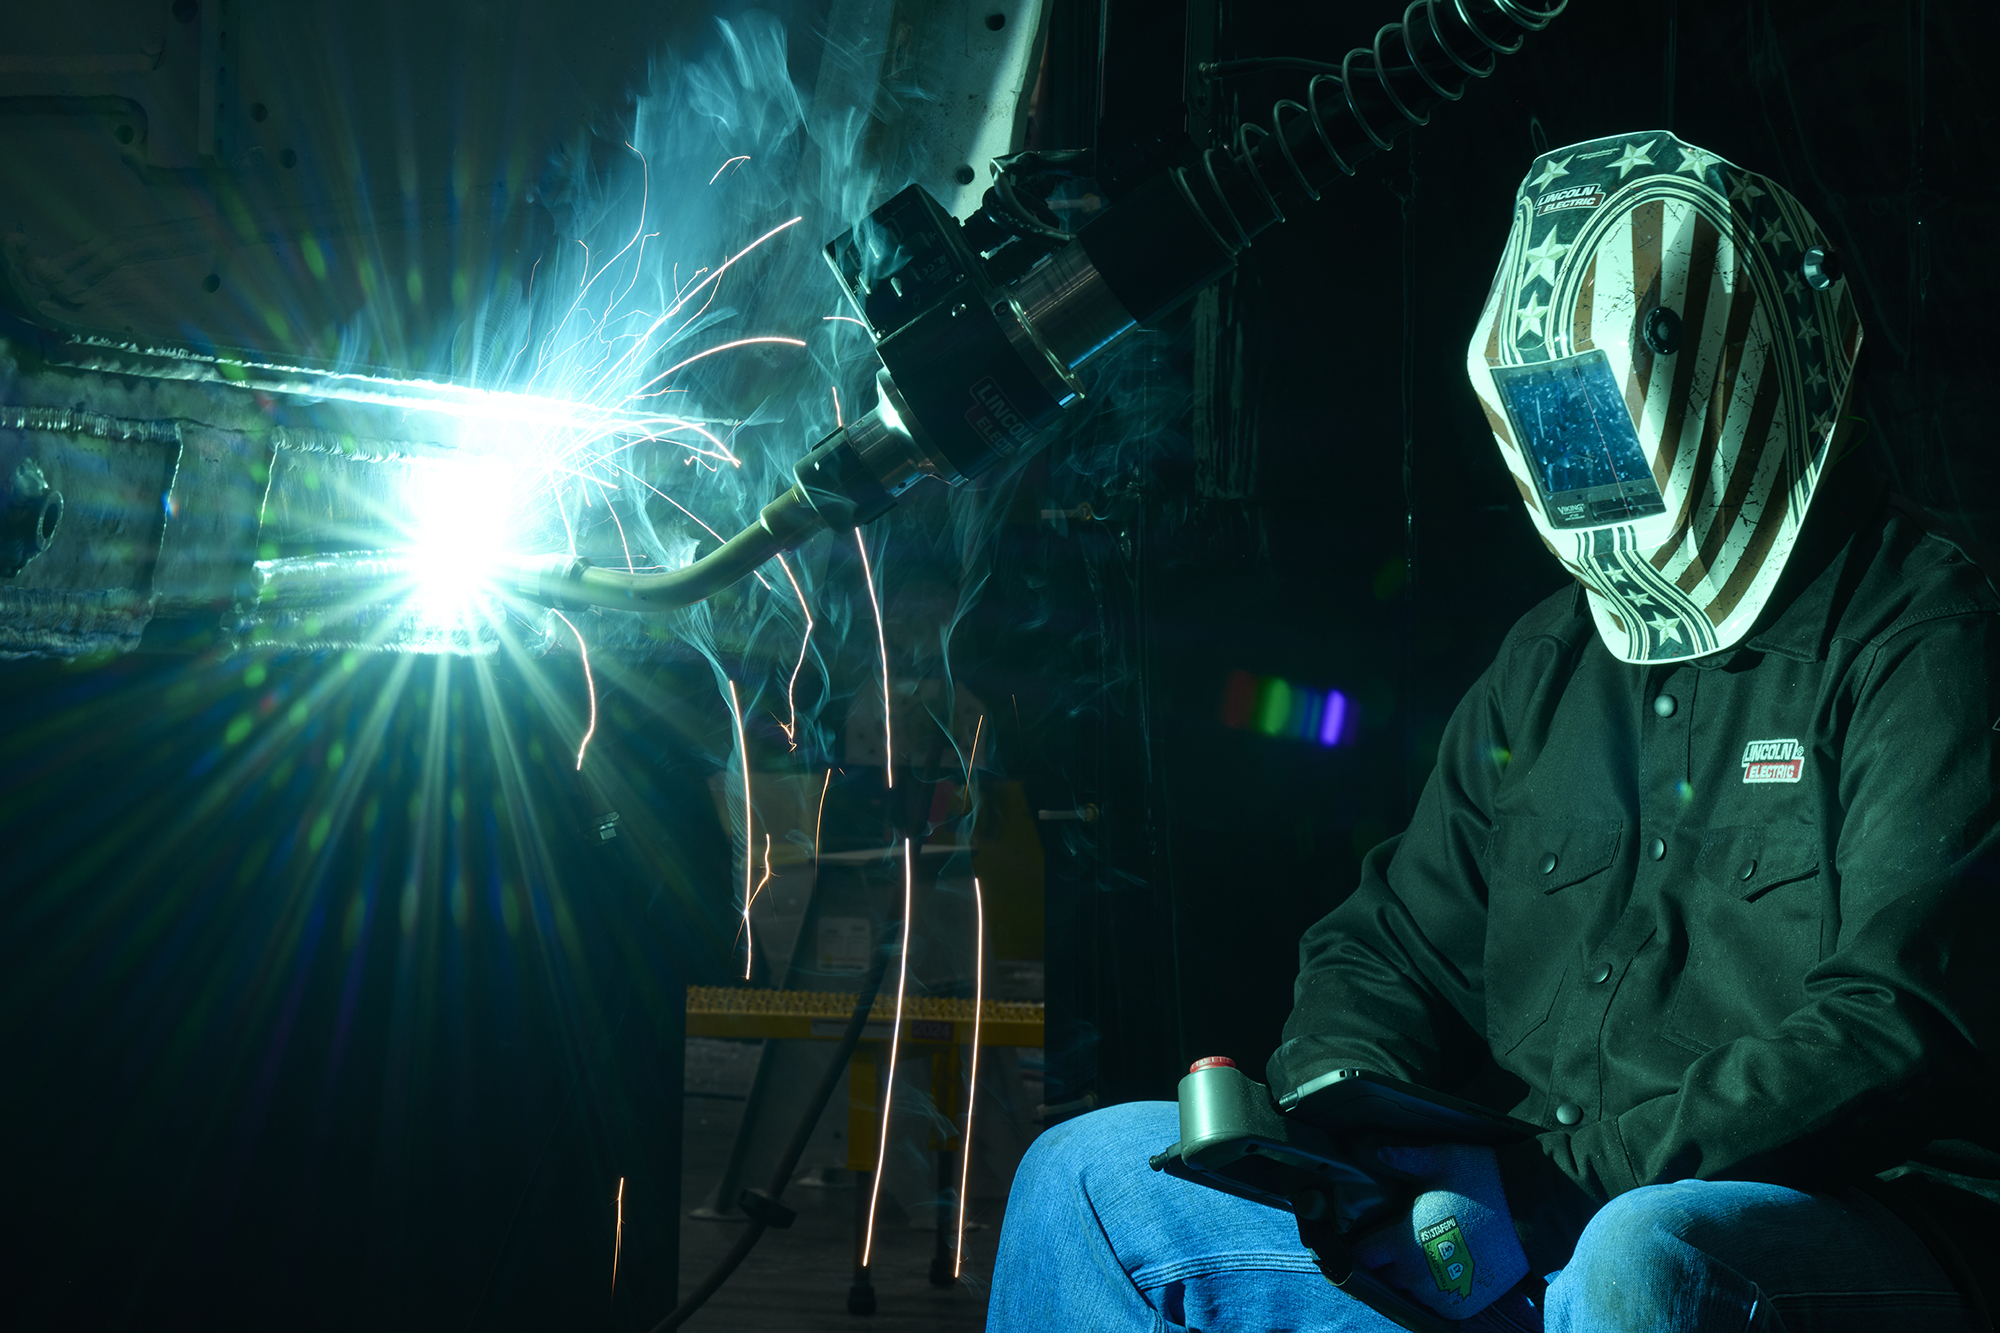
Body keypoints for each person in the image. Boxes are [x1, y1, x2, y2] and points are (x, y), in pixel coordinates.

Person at [986, 130, 2000, 1332]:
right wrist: (1336, 1122)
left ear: (1743, 373)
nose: (1594, 467)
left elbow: (1894, 1026)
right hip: (1524, 1222)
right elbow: (1389, 946)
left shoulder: (1930, 640)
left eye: (1608, 419)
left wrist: (1556, 1184)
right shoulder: (1551, 660)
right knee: (1088, 1179)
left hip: (1845, 1222)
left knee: (1644, 1254)